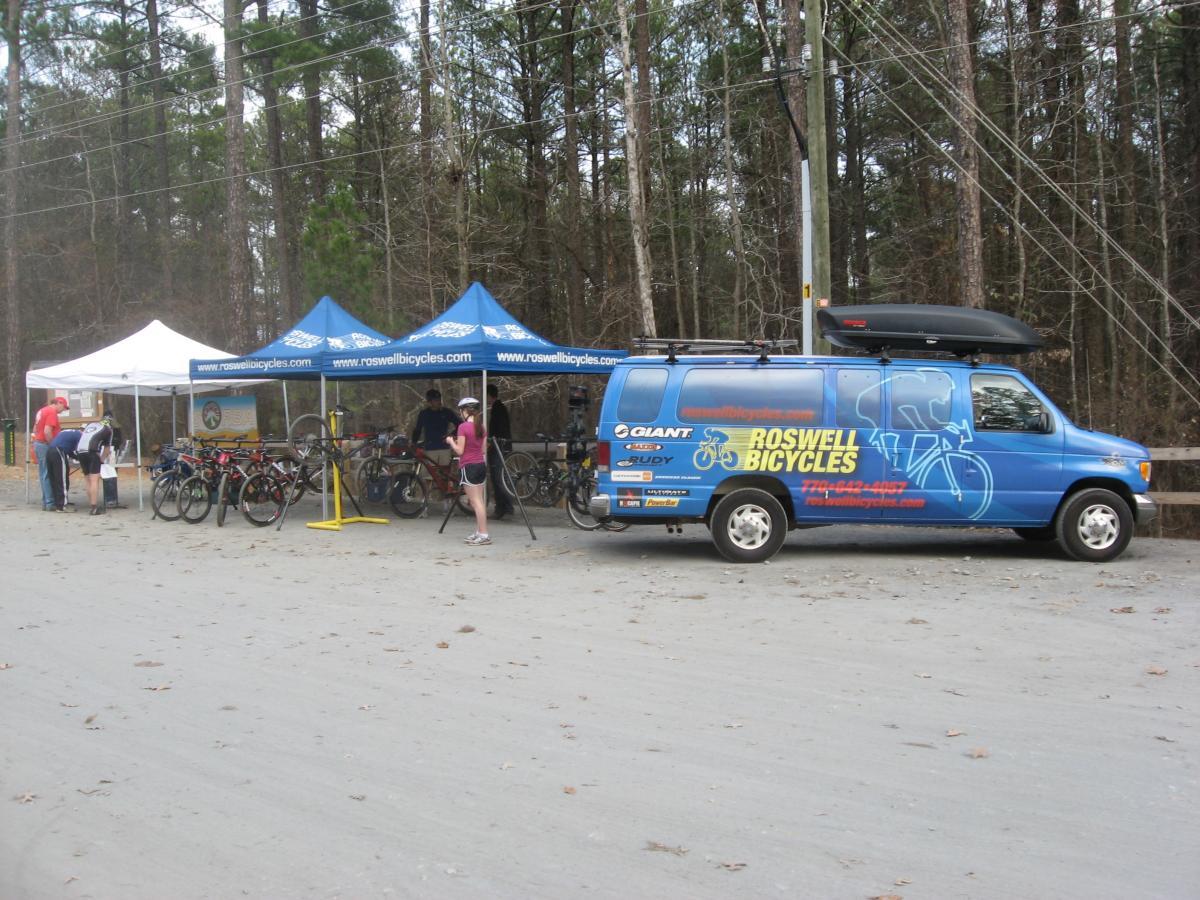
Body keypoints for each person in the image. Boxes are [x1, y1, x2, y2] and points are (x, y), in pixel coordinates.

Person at [447, 397, 489, 545]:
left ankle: (483, 534)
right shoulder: (482, 427)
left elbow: (460, 450)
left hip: (468, 466)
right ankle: (480, 531)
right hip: (480, 465)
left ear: (464, 411)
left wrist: (451, 442)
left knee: (475, 502)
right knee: (479, 501)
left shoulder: (463, 427)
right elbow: (483, 450)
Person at [411, 388, 460, 485]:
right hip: (430, 449)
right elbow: (417, 429)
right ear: (429, 402)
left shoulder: (446, 412)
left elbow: (460, 424)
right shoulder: (424, 414)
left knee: (445, 475)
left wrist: (452, 434)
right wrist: (414, 442)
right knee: (429, 476)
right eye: (435, 400)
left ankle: (445, 493)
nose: (438, 402)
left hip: (444, 448)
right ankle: (429, 494)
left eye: (439, 399)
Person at [32, 396, 69, 511]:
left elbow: (35, 429)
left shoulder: (42, 411)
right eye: (63, 407)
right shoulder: (52, 412)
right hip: (45, 444)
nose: (63, 410)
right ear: (59, 403)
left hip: (38, 443)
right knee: (48, 474)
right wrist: (53, 445)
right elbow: (47, 431)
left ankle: (46, 501)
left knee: (43, 474)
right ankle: (50, 502)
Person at [75, 413, 116, 516]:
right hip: (92, 451)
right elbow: (107, 449)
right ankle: (94, 508)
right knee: (94, 480)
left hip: (80, 451)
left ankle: (91, 505)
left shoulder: (91, 424)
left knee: (87, 479)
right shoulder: (108, 430)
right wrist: (101, 460)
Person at [486, 384, 514, 519]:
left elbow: (498, 430)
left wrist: (492, 442)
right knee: (501, 477)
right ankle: (506, 506)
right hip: (502, 446)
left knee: (498, 478)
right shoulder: (499, 408)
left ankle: (502, 507)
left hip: (499, 447)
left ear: (489, 395)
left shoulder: (498, 409)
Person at [46, 427, 82, 512]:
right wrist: (82, 459)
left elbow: (70, 451)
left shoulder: (68, 432)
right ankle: (62, 505)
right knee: (62, 480)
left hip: (50, 451)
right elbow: (80, 450)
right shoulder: (80, 435)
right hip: (59, 451)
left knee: (54, 479)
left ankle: (57, 503)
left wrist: (77, 457)